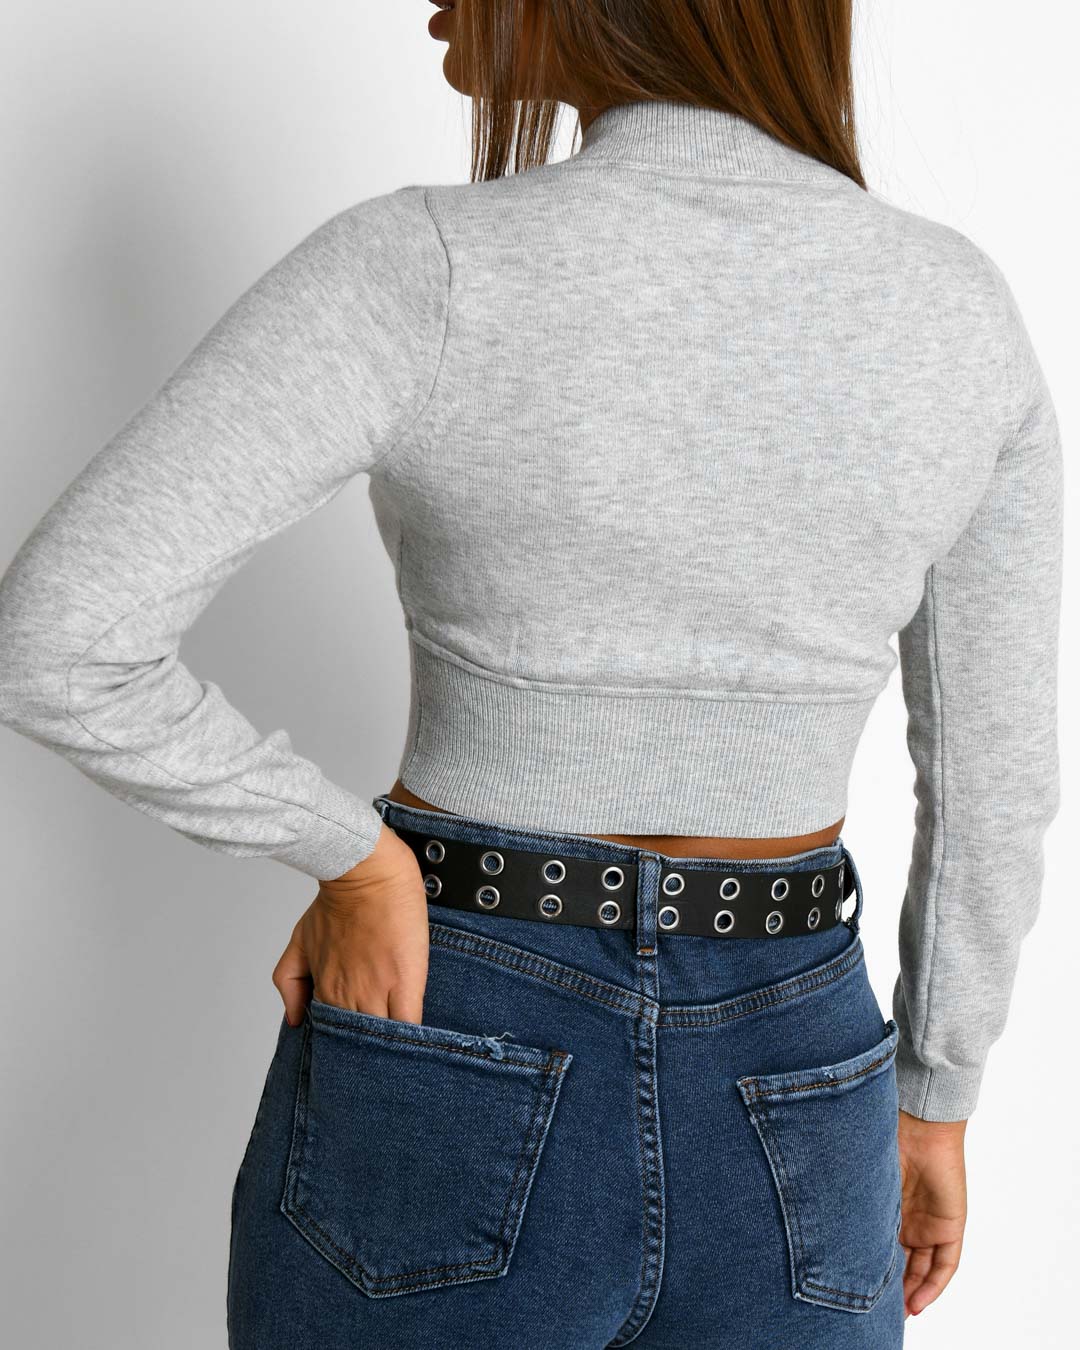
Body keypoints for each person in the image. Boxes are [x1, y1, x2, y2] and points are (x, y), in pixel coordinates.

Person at [0, 2, 1062, 1347]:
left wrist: (356, 859)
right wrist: (936, 1095)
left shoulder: (429, 268)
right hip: (802, 1079)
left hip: (453, 1012)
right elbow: (995, 785)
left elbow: (57, 632)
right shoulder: (955, 312)